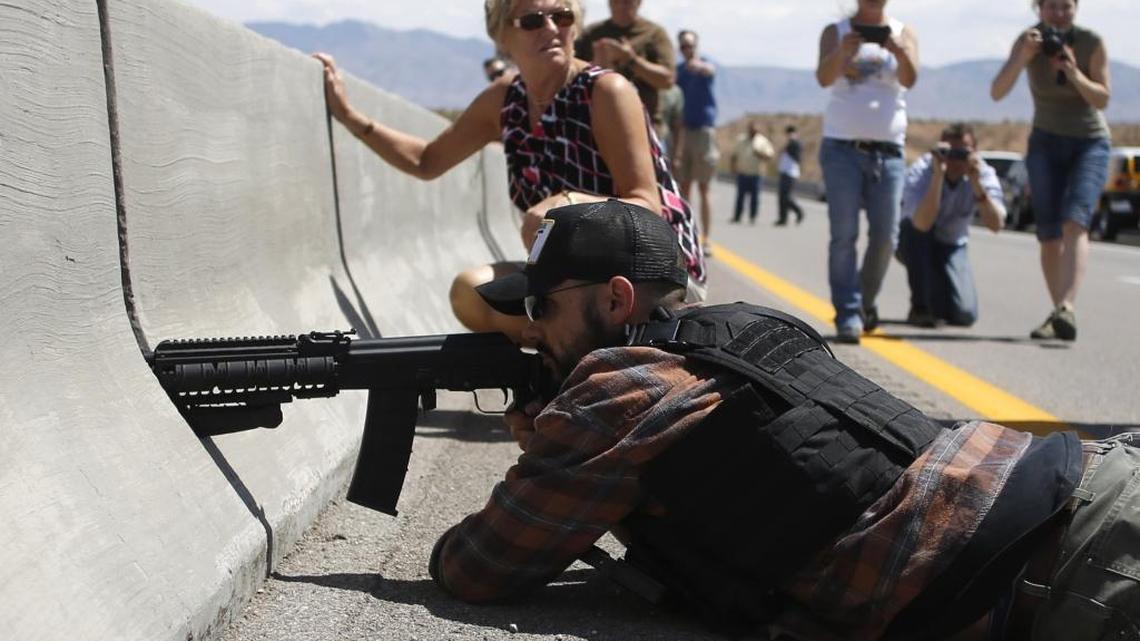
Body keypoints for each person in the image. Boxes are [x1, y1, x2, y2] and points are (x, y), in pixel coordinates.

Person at [431, 199, 1140, 641]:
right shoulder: (752, 325)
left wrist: (551, 451)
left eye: (541, 306)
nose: (533, 330)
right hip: (1088, 479)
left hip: (1082, 572)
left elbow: (477, 566)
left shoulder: (616, 389)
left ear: (617, 299)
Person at [313, 0, 706, 341]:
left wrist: (569, 205)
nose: (552, 29)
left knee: (551, 250)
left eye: (563, 16)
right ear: (502, 35)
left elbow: (645, 204)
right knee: (471, 291)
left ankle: (574, 362)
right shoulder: (505, 101)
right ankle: (566, 359)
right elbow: (426, 161)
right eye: (533, 20)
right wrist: (349, 117)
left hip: (648, 275)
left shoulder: (606, 92)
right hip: (574, 280)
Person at [990, 0, 1111, 342]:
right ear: (1039, 9)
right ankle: (1059, 310)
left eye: (1066, 7)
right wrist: (1023, 57)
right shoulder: (1028, 41)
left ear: (1076, 8)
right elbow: (997, 92)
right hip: (1045, 141)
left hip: (1089, 142)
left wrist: (1073, 71)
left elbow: (1102, 99)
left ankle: (1066, 308)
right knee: (1048, 232)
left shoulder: (1090, 41)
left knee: (1076, 220)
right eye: (1052, 7)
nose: (1059, 13)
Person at [816, 0, 919, 344]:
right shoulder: (836, 32)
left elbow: (911, 78)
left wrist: (901, 53)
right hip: (842, 147)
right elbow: (823, 77)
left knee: (886, 235)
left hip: (889, 151)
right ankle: (848, 312)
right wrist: (842, 54)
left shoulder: (905, 33)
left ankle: (864, 301)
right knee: (844, 235)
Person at [898, 123, 1006, 328]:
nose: (956, 159)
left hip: (952, 246)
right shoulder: (922, 170)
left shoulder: (982, 173)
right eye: (950, 151)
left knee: (965, 314)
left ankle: (937, 299)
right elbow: (921, 224)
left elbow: (996, 225)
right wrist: (938, 176)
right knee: (916, 233)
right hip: (915, 241)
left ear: (975, 152)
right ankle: (919, 306)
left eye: (962, 152)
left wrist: (977, 185)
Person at [574, 0, 675, 129]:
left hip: (644, 125)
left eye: (627, 2)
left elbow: (667, 80)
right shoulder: (591, 33)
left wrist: (631, 60)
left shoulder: (654, 34)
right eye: (616, 1)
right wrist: (595, 67)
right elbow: (570, 73)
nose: (621, 6)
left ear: (638, 3)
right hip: (598, 123)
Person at [673, 29, 718, 250]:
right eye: (683, 47)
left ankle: (707, 238)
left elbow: (710, 70)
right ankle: (686, 235)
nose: (687, 50)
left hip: (703, 132)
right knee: (684, 188)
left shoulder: (705, 66)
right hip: (684, 132)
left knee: (704, 187)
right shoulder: (679, 72)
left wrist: (699, 66)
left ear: (696, 46)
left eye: (690, 45)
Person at [728, 121, 773, 225]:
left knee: (755, 197)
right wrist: (733, 168)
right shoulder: (741, 139)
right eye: (751, 130)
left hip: (756, 174)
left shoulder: (762, 141)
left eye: (755, 130)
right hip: (743, 173)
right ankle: (737, 216)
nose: (753, 132)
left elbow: (769, 156)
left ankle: (753, 217)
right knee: (740, 196)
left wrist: (759, 154)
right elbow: (734, 155)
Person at [776, 124, 805, 225]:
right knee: (781, 197)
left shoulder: (795, 144)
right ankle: (783, 219)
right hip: (784, 173)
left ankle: (798, 211)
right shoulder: (789, 144)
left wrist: (792, 141)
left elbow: (798, 156)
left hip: (790, 174)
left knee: (786, 197)